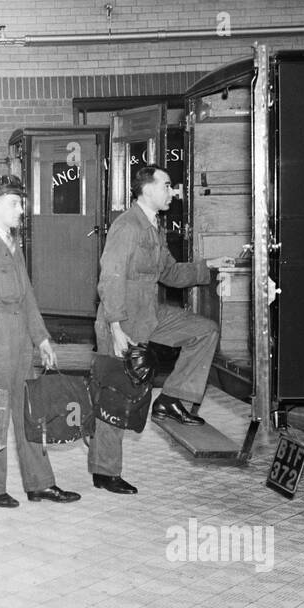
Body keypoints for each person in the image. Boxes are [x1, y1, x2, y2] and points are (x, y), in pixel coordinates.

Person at [89, 164, 233, 494]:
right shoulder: (127, 226)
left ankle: (172, 398)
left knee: (204, 330)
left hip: (150, 315)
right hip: (122, 320)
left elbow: (170, 273)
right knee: (116, 395)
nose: (173, 191)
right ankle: (105, 471)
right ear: (148, 190)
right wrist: (114, 327)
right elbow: (109, 276)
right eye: (167, 185)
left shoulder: (154, 227)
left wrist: (207, 267)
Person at [0, 175, 80, 509]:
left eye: (20, 202)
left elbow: (27, 296)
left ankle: (40, 483)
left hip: (20, 342)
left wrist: (41, 338)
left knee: (31, 414)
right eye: (14, 203)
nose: (20, 209)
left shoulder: (13, 245)